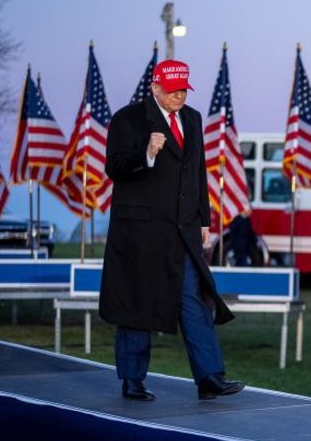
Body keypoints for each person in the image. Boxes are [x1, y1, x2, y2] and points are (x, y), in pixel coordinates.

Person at [100, 59, 243, 402]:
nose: (179, 95)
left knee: (194, 301)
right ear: (155, 87)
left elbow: (197, 174)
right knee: (138, 304)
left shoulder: (192, 120)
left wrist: (204, 219)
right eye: (173, 89)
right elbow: (114, 167)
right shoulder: (127, 119)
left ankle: (210, 377)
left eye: (183, 89)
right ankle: (132, 380)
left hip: (183, 231)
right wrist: (146, 153)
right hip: (140, 234)